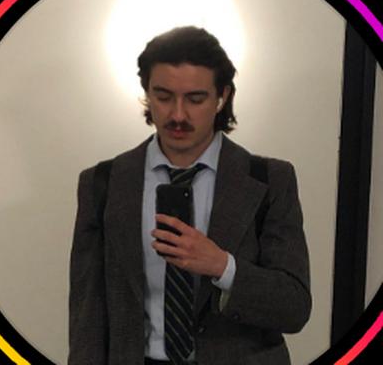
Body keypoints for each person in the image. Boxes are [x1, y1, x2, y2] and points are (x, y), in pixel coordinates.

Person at [68, 26, 311, 365]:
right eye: (164, 97)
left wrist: (223, 266)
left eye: (195, 99)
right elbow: (87, 313)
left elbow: (294, 307)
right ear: (146, 93)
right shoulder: (103, 183)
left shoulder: (270, 180)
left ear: (222, 96)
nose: (178, 115)